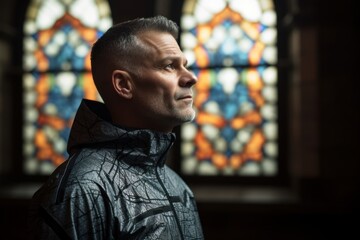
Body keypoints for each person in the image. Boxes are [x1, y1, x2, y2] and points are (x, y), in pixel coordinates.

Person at [28, 16, 204, 240]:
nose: (191, 78)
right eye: (169, 66)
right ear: (123, 85)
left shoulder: (177, 185)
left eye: (185, 66)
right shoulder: (79, 191)